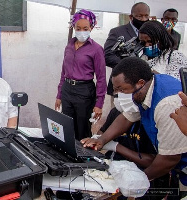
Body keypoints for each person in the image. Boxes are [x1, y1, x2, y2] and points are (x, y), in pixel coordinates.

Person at [81, 57, 187, 197]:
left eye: (121, 89)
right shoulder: (146, 88)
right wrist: (102, 140)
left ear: (140, 83)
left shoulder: (167, 105)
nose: (118, 94)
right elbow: (128, 116)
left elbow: (169, 159)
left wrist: (135, 181)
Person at [55, 9, 106, 140]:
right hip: (67, 89)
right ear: (74, 27)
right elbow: (63, 72)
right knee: (67, 126)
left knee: (82, 128)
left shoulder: (96, 49)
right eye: (78, 28)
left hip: (84, 91)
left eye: (85, 28)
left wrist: (99, 104)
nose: (81, 31)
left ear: (91, 27)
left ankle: (83, 158)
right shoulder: (69, 46)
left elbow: (101, 78)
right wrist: (59, 95)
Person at [104, 2, 150, 100]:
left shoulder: (151, 33)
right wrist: (129, 64)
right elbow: (107, 55)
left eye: (146, 16)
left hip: (143, 88)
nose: (143, 19)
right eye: (140, 16)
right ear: (131, 16)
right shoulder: (117, 32)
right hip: (121, 87)